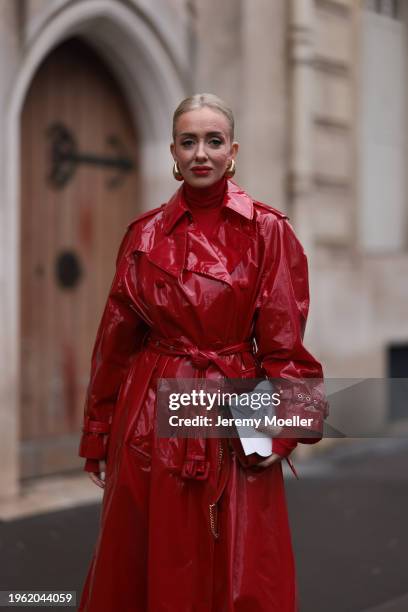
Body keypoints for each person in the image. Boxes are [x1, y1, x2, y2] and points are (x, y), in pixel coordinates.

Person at [78, 93, 328, 612]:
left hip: (235, 400)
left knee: (240, 561)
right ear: (173, 151)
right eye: (189, 141)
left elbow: (285, 343)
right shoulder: (144, 235)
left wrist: (278, 432)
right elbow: (115, 341)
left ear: (231, 150)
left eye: (213, 141)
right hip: (149, 411)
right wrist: (99, 432)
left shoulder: (268, 231)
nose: (200, 153)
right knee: (149, 558)